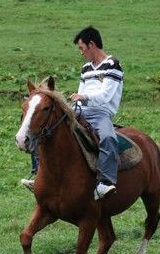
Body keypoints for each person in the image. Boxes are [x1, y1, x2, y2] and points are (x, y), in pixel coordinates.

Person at [22, 26, 122, 200]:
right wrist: (77, 100)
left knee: (108, 137)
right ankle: (38, 174)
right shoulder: (86, 68)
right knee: (47, 128)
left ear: (91, 45)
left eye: (81, 48)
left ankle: (106, 182)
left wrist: (83, 97)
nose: (81, 53)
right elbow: (80, 93)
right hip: (81, 110)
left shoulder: (112, 64)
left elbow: (106, 95)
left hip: (100, 113)